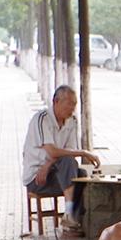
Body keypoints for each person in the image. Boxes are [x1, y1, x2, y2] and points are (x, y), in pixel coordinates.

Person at [22, 86, 98, 229]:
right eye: (69, 103)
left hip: (56, 173)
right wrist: (84, 152)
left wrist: (48, 165)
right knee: (69, 162)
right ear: (56, 101)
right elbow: (53, 151)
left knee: (81, 175)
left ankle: (75, 221)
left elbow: (68, 151)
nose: (72, 108)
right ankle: (69, 215)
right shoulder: (42, 119)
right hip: (37, 179)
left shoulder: (72, 121)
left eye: (74, 104)